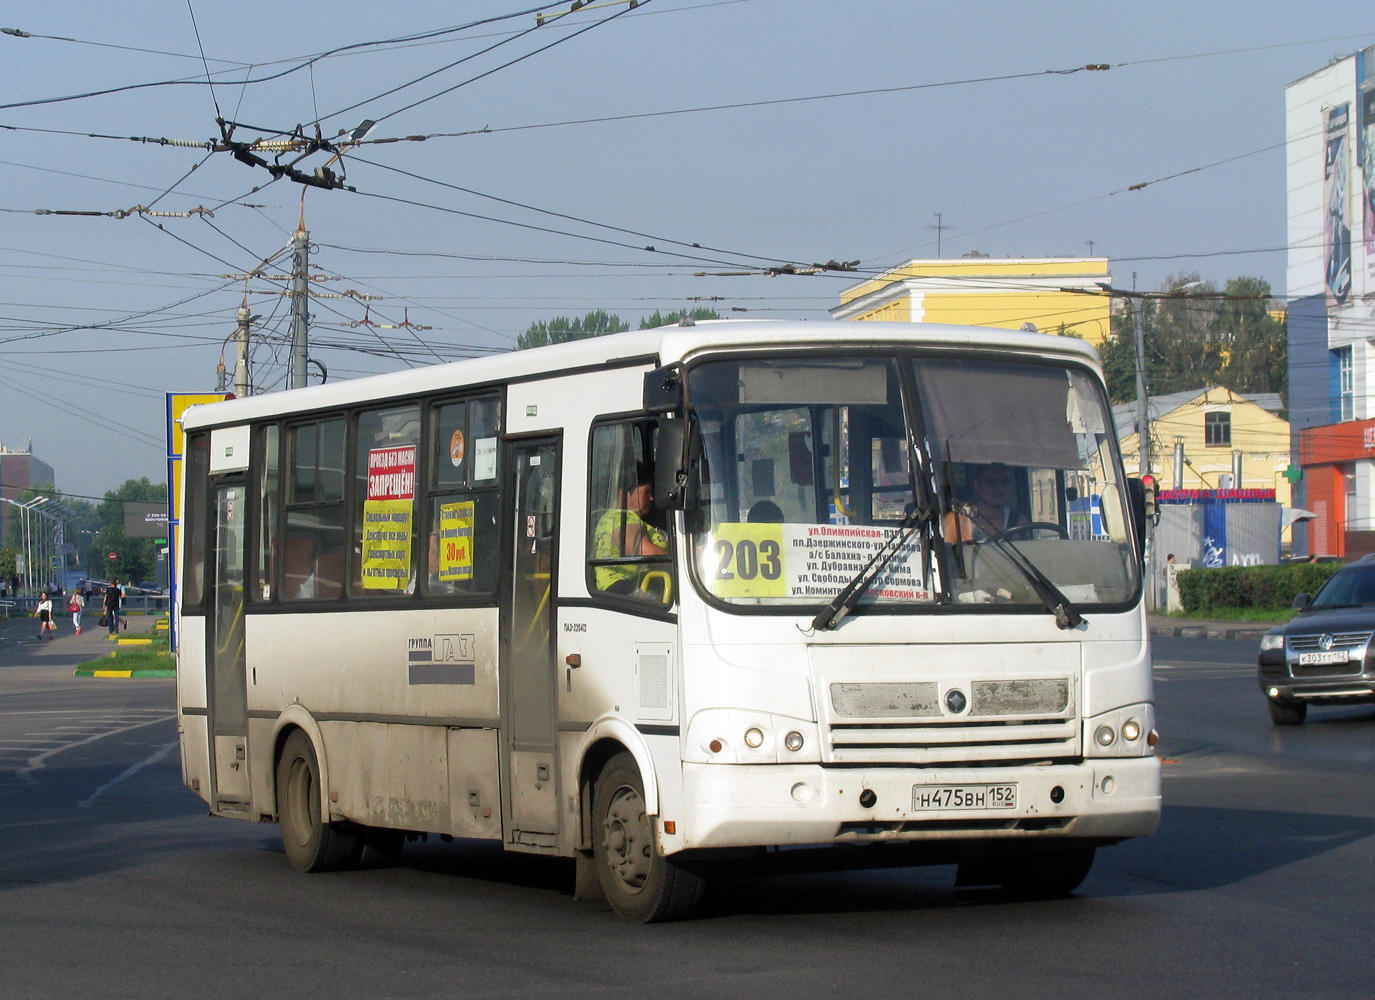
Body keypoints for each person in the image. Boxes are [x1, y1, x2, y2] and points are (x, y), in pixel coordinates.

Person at [593, 466, 668, 594]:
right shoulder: (620, 517)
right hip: (624, 587)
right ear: (625, 494)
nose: (651, 498)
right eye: (646, 492)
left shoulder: (629, 518)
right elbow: (647, 553)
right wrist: (681, 564)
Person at [943, 462, 1029, 544]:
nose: (1000, 489)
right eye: (992, 482)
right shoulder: (958, 520)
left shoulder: (1018, 521)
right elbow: (950, 556)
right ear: (977, 486)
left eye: (1005, 482)